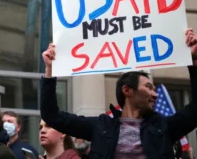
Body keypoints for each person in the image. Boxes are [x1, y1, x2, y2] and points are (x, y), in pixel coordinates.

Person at [41, 28, 197, 158]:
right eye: (149, 87)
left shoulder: (164, 127)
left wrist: (194, 62)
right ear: (127, 91)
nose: (155, 94)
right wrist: (50, 70)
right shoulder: (101, 126)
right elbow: (51, 116)